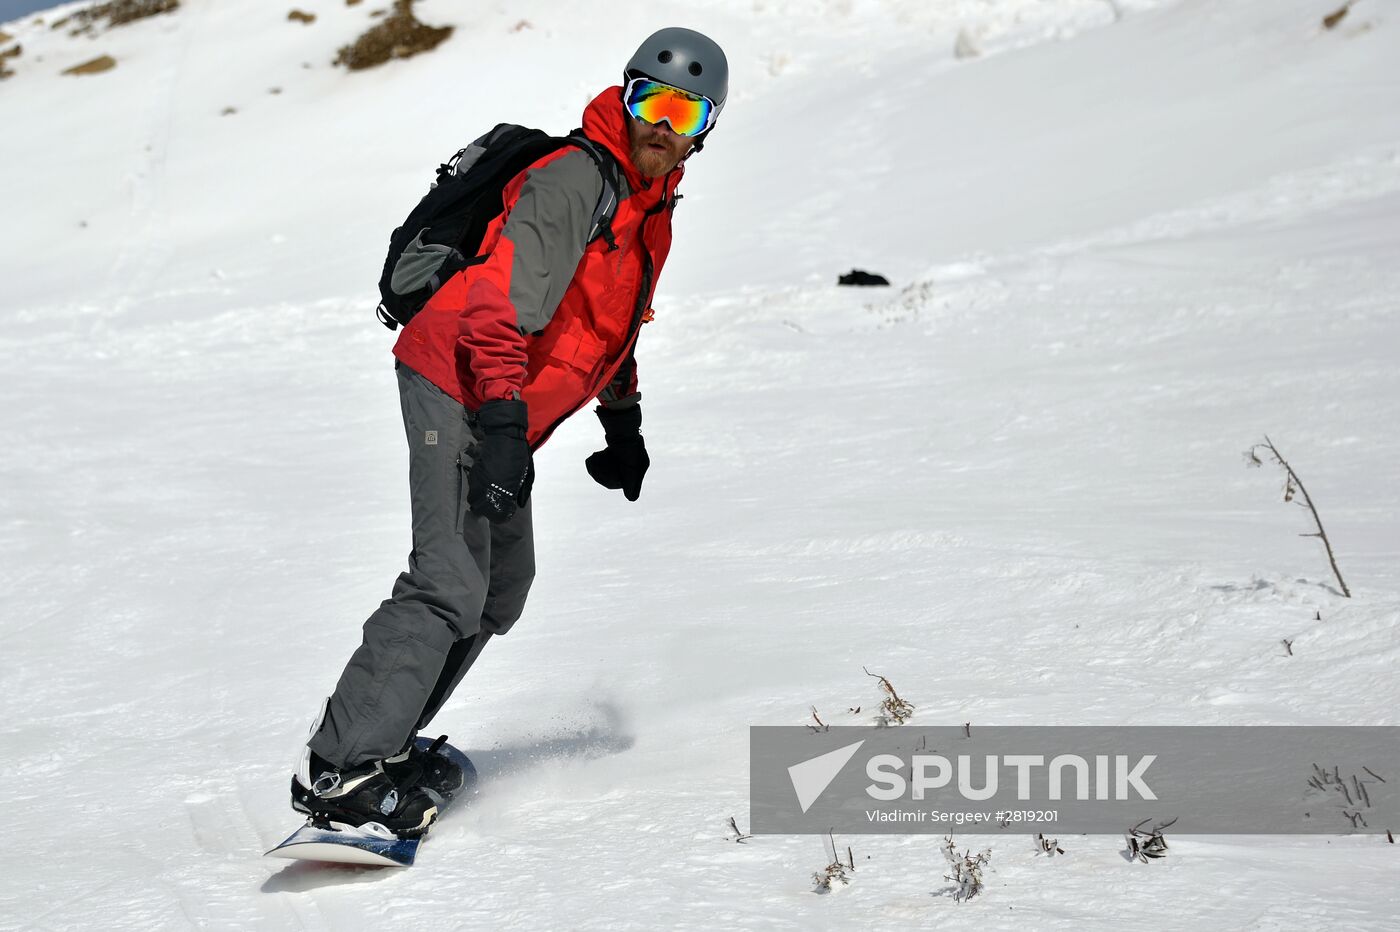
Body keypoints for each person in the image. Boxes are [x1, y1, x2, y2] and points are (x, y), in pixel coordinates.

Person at [289, 27, 729, 837]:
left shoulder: (649, 213)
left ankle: (386, 742)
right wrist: (497, 422)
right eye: (651, 101)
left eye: (686, 111)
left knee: (500, 589)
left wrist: (622, 421)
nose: (663, 125)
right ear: (626, 97)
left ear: (706, 127)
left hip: (506, 405)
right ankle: (343, 766)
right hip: (455, 378)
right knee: (447, 580)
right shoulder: (573, 181)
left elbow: (611, 329)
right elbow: (495, 306)